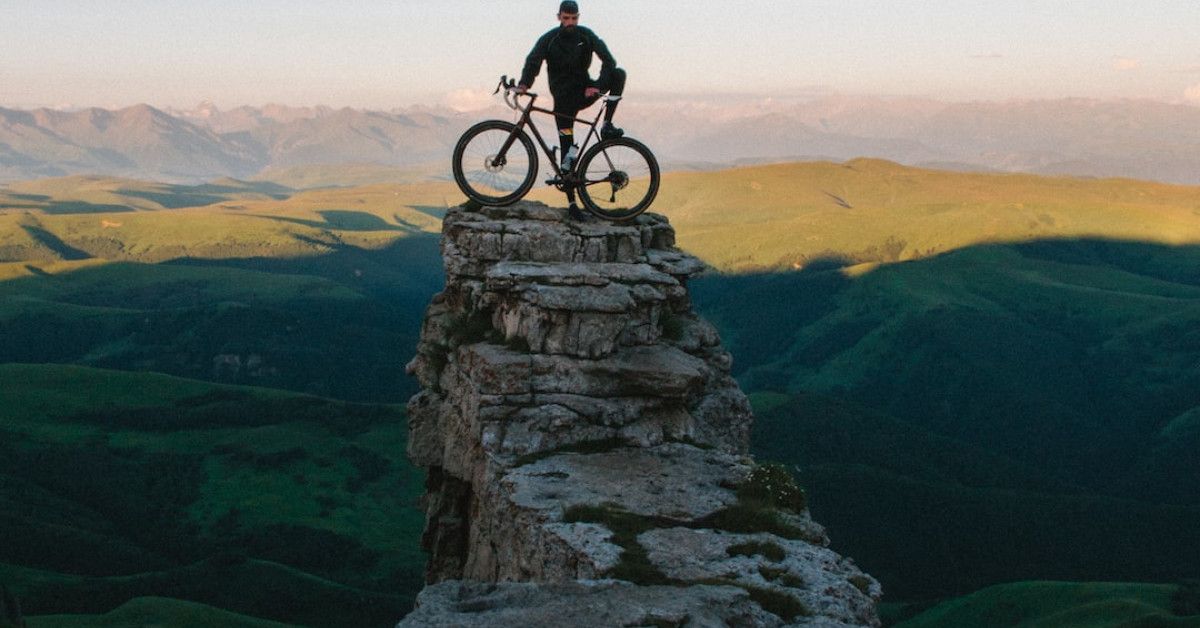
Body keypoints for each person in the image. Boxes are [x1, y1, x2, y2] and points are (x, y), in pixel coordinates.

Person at [517, 1, 626, 218]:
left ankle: (606, 125)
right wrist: (524, 84)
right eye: (566, 18)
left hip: (585, 92)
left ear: (578, 17)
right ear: (558, 17)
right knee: (567, 155)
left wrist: (596, 85)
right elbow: (533, 61)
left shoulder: (586, 35)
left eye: (574, 18)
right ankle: (572, 203)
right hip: (563, 100)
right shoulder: (549, 39)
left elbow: (609, 60)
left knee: (618, 74)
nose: (570, 23)